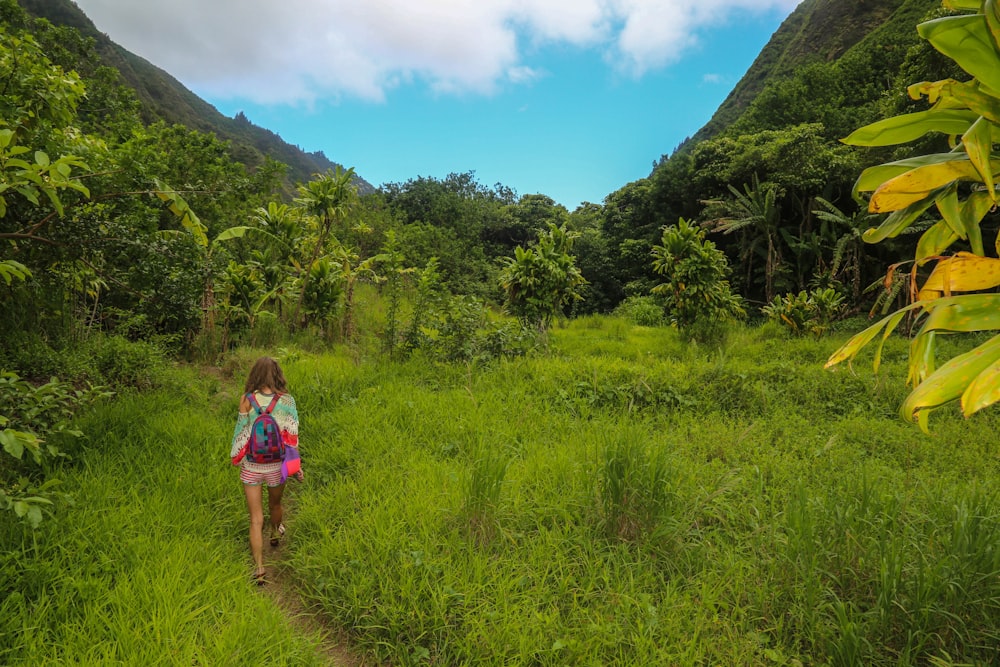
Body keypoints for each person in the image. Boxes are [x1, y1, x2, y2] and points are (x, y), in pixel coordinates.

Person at [229, 356, 301, 585]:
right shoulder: (287, 401)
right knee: (276, 505)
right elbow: (292, 438)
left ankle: (259, 568)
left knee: (254, 519)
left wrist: (237, 458)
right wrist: (295, 467)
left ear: (255, 375)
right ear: (277, 374)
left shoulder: (246, 400)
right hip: (277, 466)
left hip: (252, 466)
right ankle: (274, 533)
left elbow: (241, 433)